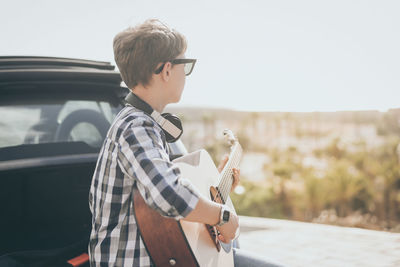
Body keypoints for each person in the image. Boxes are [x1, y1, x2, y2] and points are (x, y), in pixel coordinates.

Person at [88, 19, 282, 267]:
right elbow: (169, 195)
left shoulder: (142, 122)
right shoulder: (136, 127)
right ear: (167, 70)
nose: (186, 75)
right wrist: (222, 216)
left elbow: (164, 202)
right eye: (185, 65)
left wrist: (217, 188)